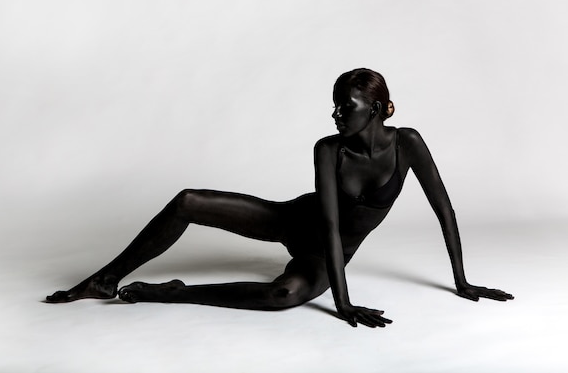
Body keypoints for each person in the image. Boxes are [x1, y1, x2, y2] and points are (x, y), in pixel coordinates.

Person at [46, 68, 513, 328]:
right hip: (293, 220)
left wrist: (462, 281)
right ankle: (104, 280)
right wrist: (345, 304)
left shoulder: (408, 142)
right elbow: (327, 222)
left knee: (282, 296)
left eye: (344, 106)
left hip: (325, 254)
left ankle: (173, 295)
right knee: (188, 199)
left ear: (376, 109)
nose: (335, 114)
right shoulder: (327, 149)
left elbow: (444, 209)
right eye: (333, 105)